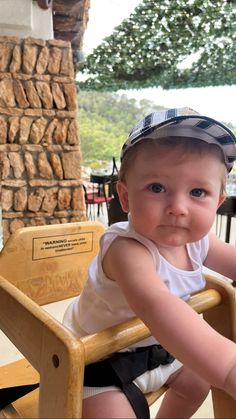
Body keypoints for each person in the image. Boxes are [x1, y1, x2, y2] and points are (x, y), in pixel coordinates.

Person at [63, 107, 236, 419]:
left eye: (198, 192)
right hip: (101, 361)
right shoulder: (125, 249)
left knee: (198, 381)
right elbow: (156, 305)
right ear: (126, 197)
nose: (178, 208)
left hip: (162, 351)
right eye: (157, 188)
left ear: (218, 202)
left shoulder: (198, 241)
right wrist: (228, 365)